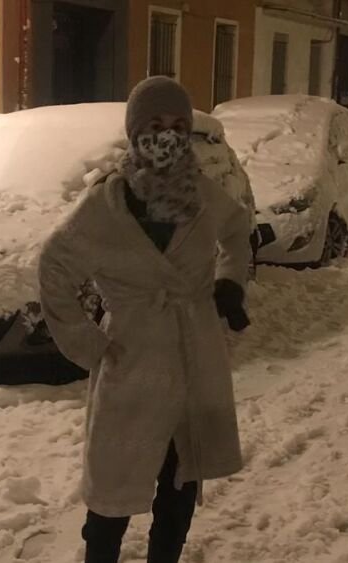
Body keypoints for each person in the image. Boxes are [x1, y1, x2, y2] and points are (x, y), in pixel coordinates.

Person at [38, 76, 252, 563]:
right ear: (135, 132)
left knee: (178, 490)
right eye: (155, 125)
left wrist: (230, 282)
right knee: (112, 494)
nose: (168, 135)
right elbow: (53, 270)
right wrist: (87, 345)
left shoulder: (203, 193)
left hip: (194, 359)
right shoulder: (105, 206)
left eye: (178, 125)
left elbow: (239, 231)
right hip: (132, 363)